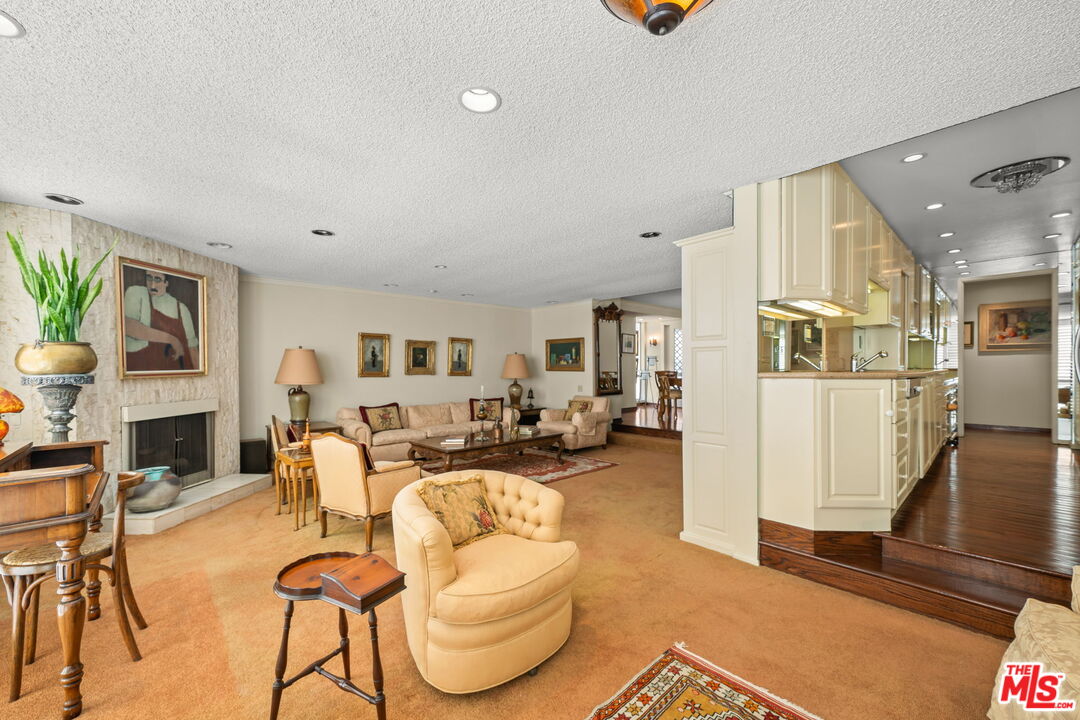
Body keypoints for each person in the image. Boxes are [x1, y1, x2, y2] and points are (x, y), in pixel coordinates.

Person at [124, 268, 198, 371]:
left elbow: (192, 348)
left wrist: (197, 372)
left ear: (166, 283)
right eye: (149, 278)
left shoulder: (181, 309)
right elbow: (129, 326)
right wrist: (172, 339)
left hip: (174, 369)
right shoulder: (137, 293)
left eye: (158, 279)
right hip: (142, 367)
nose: (152, 285)